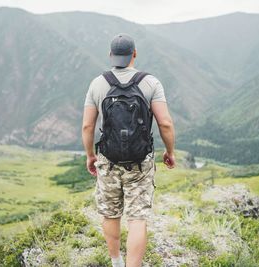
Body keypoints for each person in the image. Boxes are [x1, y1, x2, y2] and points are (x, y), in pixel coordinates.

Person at [82, 33, 175, 267]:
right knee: (137, 219)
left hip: (108, 161)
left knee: (110, 213)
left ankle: (116, 261)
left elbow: (87, 126)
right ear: (134, 54)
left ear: (110, 56)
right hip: (140, 163)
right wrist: (169, 152)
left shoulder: (98, 84)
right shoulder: (151, 83)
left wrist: (90, 155)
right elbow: (165, 123)